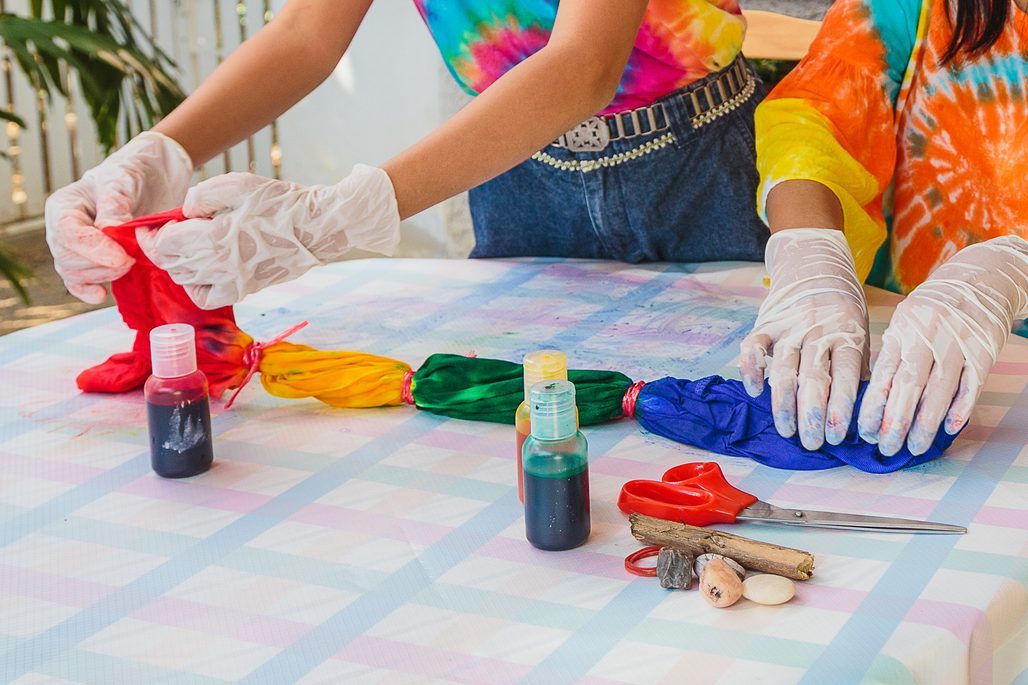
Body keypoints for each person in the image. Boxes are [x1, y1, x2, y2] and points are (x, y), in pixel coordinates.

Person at [45, 0, 769, 312]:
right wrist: (158, 152)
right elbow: (304, 34)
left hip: (694, 164)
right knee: (540, 428)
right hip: (517, 171)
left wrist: (339, 215)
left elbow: (583, 65)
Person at [740, 0, 1028, 458]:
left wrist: (1010, 273)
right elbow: (813, 121)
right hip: (890, 341)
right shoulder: (912, 9)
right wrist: (809, 252)